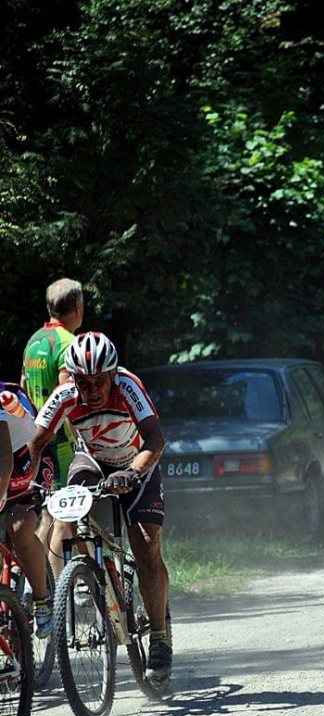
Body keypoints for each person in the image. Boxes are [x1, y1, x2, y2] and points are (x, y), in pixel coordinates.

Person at [28, 332, 172, 680]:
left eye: (99, 381)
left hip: (135, 463)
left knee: (147, 545)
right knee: (66, 514)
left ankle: (158, 638)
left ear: (112, 374)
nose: (92, 390)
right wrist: (27, 483)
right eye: (84, 382)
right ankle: (85, 575)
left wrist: (134, 472)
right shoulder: (65, 396)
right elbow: (34, 443)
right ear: (73, 379)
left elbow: (156, 438)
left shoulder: (128, 386)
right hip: (91, 460)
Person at [21, 279, 84, 572]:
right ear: (78, 307)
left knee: (46, 514)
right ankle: (55, 595)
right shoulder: (69, 343)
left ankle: (38, 587)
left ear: (49, 307)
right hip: (61, 444)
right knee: (64, 516)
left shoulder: (34, 341)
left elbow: (23, 385)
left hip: (36, 438)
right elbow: (65, 392)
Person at [0, 384, 54, 638]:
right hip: (5, 468)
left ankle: (42, 601)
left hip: (27, 460)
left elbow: (5, 461)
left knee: (19, 529)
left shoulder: (3, 398)